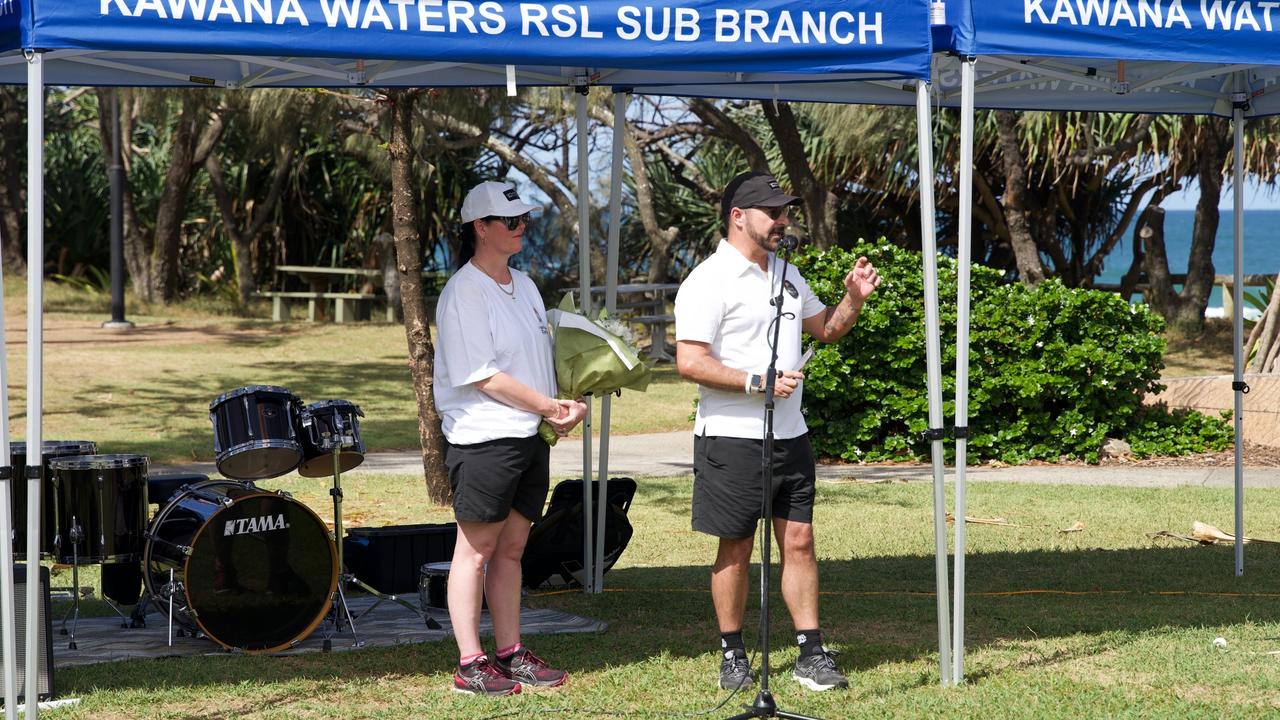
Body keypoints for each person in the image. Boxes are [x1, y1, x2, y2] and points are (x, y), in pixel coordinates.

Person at [673, 171, 881, 693]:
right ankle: (733, 653)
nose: (784, 220)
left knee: (800, 541)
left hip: (791, 435)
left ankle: (811, 652)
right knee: (737, 547)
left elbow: (827, 330)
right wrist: (755, 381)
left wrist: (853, 298)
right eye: (774, 212)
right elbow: (689, 361)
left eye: (785, 211)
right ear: (738, 217)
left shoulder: (789, 274)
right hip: (730, 436)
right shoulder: (706, 280)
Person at [434, 180, 588, 696]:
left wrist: (566, 400)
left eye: (525, 219)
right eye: (512, 220)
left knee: (513, 549)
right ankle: (469, 663)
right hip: (483, 439)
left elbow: (538, 359)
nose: (523, 227)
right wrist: (548, 406)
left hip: (526, 435)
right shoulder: (463, 292)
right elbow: (481, 376)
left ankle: (510, 652)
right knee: (474, 552)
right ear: (481, 227)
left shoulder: (524, 284)